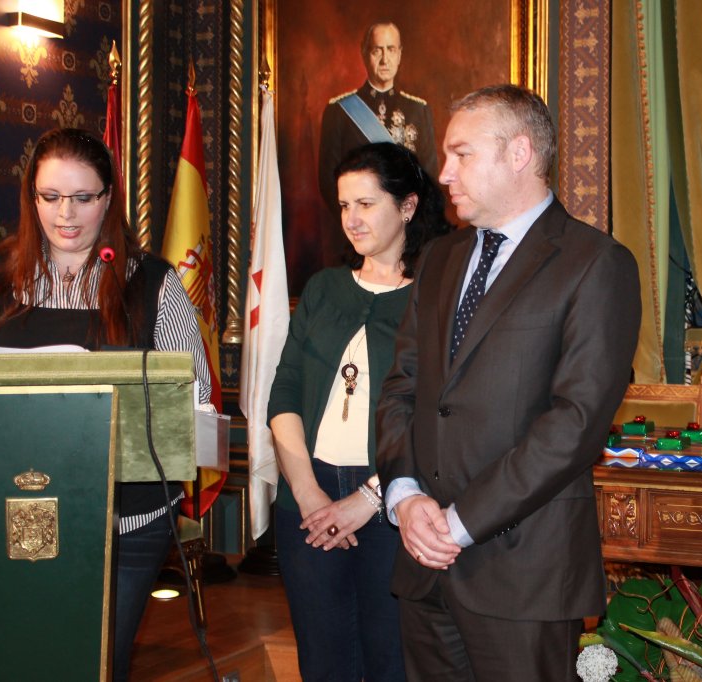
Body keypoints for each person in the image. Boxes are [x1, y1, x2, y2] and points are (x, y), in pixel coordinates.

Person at [375, 84, 641, 681]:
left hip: (524, 573)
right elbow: (402, 388)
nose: (445, 173)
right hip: (423, 565)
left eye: (461, 154)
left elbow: (575, 423)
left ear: (519, 153)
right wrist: (406, 496)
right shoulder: (439, 259)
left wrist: (459, 523)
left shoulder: (595, 263)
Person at [0, 127, 212, 681]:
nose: (65, 214)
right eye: (50, 197)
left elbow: (193, 399)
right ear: (31, 197)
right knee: (17, 662)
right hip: (12, 514)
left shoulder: (154, 283)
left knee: (96, 665)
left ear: (108, 197)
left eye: (82, 197)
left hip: (129, 520)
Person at [267, 142, 450, 682]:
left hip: (396, 501)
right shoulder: (323, 288)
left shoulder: (435, 298)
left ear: (408, 206)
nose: (351, 219)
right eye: (345, 205)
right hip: (308, 498)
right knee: (322, 661)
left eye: (366, 204)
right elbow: (285, 392)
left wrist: (369, 499)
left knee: (389, 660)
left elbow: (436, 415)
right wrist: (308, 494)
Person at [318, 21, 438, 213]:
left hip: (406, 224)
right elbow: (328, 182)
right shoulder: (339, 112)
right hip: (358, 223)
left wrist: (407, 219)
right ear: (364, 54)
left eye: (391, 50)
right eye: (377, 51)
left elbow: (429, 179)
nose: (385, 60)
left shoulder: (418, 110)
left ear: (399, 54)